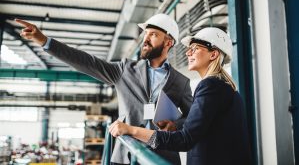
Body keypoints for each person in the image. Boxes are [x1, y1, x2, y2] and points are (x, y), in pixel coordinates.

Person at [15, 14, 193, 165]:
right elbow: (87, 62)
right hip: (126, 155)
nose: (145, 39)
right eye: (145, 33)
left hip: (162, 155)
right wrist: (45, 41)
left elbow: (193, 118)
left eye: (153, 34)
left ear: (168, 42)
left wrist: (175, 125)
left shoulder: (181, 81)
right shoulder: (125, 70)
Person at [109, 27, 252, 165]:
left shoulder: (210, 86)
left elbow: (184, 140)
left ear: (213, 54)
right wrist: (175, 125)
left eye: (195, 48)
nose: (188, 53)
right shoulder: (226, 88)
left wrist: (131, 130)